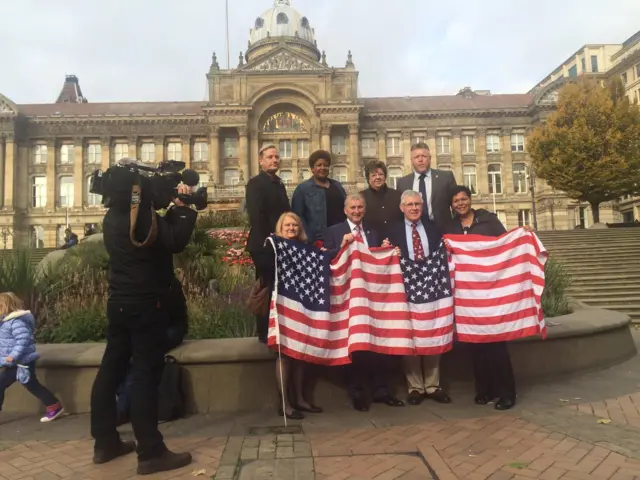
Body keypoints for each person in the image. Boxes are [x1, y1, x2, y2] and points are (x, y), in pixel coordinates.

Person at [90, 178, 196, 476]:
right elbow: (175, 241)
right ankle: (150, 451)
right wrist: (183, 209)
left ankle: (105, 442)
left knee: (111, 368)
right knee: (145, 374)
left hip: (119, 302)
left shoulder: (112, 216)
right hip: (146, 304)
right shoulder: (143, 216)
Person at [443, 185, 522, 410]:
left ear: (470, 200)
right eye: (456, 200)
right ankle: (484, 390)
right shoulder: (449, 227)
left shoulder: (489, 221)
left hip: (492, 291)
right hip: (468, 295)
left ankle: (507, 393)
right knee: (475, 345)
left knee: (497, 345)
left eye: (463, 199)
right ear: (451, 204)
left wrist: (522, 234)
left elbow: (506, 244)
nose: (460, 203)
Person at [323, 194, 403, 412]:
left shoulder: (373, 233)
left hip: (372, 298)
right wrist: (341, 246)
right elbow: (326, 259)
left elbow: (377, 261)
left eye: (360, 207)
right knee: (355, 347)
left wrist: (388, 251)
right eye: (352, 207)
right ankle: (356, 393)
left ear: (364, 210)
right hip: (348, 297)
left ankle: (381, 391)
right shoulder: (334, 231)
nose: (356, 211)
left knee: (378, 344)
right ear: (345, 210)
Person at [388, 190, 452, 406]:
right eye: (409, 204)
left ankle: (433, 386)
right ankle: (415, 387)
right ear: (401, 208)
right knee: (412, 336)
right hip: (406, 290)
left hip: (433, 290)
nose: (414, 208)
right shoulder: (393, 231)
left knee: (434, 332)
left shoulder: (434, 229)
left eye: (417, 204)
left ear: (422, 206)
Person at [271, 212, 323, 420]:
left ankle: (300, 399)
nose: (291, 228)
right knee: (284, 354)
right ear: (280, 227)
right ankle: (284, 404)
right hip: (281, 303)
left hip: (302, 305)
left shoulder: (306, 249)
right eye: (287, 225)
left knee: (300, 351)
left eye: (295, 225)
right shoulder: (274, 245)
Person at [116, 276, 188, 425]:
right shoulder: (141, 282)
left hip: (171, 329)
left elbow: (167, 314)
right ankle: (125, 405)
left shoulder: (167, 283)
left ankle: (122, 409)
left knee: (139, 357)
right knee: (125, 354)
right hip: (149, 329)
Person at [245, 144, 290, 344]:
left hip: (279, 243)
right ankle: (264, 332)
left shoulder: (278, 184)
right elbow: (257, 215)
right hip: (264, 244)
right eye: (270, 157)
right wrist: (272, 238)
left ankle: (276, 328)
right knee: (266, 286)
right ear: (261, 161)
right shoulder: (256, 183)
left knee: (278, 287)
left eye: (277, 157)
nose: (274, 160)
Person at [0, 292, 64, 423]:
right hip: (11, 364)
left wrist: (13, 355)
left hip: (23, 362)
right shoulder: (3, 323)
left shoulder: (15, 322)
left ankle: (55, 406)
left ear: (5, 306)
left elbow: (23, 339)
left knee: (32, 385)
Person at [396, 143, 457, 229]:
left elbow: (456, 204)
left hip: (443, 230)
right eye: (416, 157)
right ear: (411, 160)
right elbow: (401, 210)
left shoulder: (446, 177)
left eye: (424, 156)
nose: (420, 160)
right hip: (414, 231)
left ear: (430, 158)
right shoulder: (403, 182)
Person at [292, 149, 346, 245]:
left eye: (325, 165)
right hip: (317, 241)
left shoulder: (337, 186)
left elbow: (346, 210)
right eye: (319, 165)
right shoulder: (303, 189)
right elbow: (297, 216)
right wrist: (308, 238)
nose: (323, 168)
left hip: (340, 238)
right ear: (312, 169)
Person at [360, 160, 403, 239]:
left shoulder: (398, 195)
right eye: (373, 175)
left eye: (380, 174)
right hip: (372, 244)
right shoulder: (361, 197)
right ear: (368, 178)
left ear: (385, 176)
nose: (378, 177)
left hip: (396, 243)